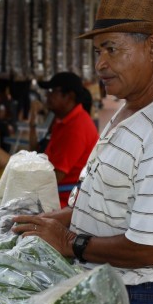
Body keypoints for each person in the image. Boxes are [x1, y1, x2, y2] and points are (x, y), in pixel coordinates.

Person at [11, 0, 153, 304]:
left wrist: (70, 242)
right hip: (112, 285)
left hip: (140, 299)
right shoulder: (133, 108)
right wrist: (54, 221)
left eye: (112, 49)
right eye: (98, 51)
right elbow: (108, 201)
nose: (100, 64)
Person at [29, 72, 98, 207]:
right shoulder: (63, 120)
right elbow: (36, 151)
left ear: (69, 96)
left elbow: (53, 179)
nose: (47, 96)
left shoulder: (76, 127)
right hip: (54, 195)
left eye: (52, 91)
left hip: (63, 203)